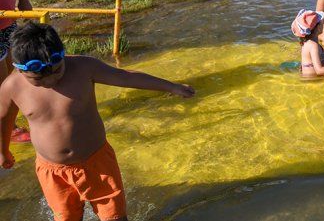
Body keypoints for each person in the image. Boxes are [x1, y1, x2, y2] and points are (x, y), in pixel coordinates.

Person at [0, 22, 195, 221]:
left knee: (115, 217)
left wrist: (171, 87)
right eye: (39, 79)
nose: (50, 81)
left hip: (97, 163)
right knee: (66, 217)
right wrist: (3, 151)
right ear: (19, 69)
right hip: (53, 172)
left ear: (63, 54)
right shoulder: (11, 87)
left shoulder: (84, 68)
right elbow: (4, 120)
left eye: (57, 71)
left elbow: (125, 77)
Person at [0, 0, 33, 143]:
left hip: (8, 18)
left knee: (16, 71)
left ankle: (17, 116)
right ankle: (6, 127)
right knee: (2, 80)